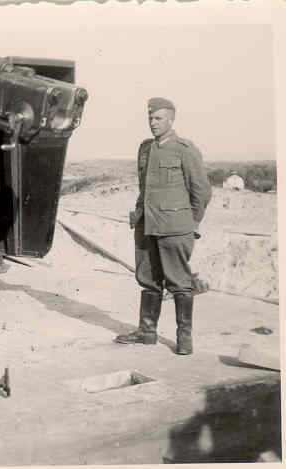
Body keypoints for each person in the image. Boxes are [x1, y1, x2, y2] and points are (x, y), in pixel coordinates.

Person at [115, 97, 212, 355]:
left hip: (175, 227)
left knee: (180, 282)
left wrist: (191, 222)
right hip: (147, 225)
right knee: (148, 280)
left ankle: (184, 338)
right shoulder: (145, 148)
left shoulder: (185, 149)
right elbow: (144, 187)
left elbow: (201, 191)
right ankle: (147, 332)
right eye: (150, 118)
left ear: (171, 119)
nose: (153, 123)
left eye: (158, 118)